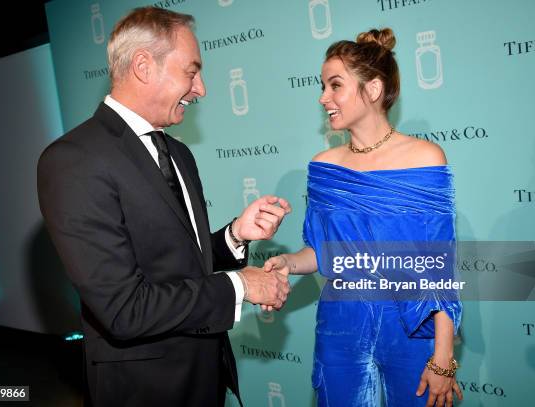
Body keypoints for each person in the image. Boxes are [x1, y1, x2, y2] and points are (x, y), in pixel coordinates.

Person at [37, 7, 291, 407]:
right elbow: (123, 310)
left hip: (206, 375)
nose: (202, 88)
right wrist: (242, 283)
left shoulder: (178, 153)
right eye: (192, 72)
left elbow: (176, 265)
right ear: (143, 66)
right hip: (145, 390)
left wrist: (234, 235)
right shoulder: (73, 160)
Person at [264, 28, 463, 406]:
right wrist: (288, 263)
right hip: (340, 327)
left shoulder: (425, 158)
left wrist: (443, 359)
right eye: (323, 86)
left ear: (372, 90)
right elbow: (323, 253)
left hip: (411, 326)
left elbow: (440, 266)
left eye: (335, 85)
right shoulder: (323, 166)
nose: (323, 98)